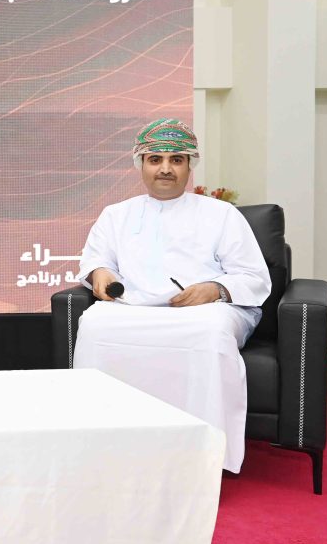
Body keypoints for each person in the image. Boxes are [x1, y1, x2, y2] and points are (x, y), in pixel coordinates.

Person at [73, 118, 271, 473]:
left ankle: (204, 457)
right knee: (94, 325)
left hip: (206, 311)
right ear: (141, 165)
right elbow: (97, 260)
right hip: (135, 307)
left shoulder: (221, 214)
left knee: (210, 332)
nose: (165, 169)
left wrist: (214, 289)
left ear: (189, 166)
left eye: (176, 160)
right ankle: (105, 450)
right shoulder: (116, 215)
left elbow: (252, 276)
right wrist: (99, 274)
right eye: (155, 159)